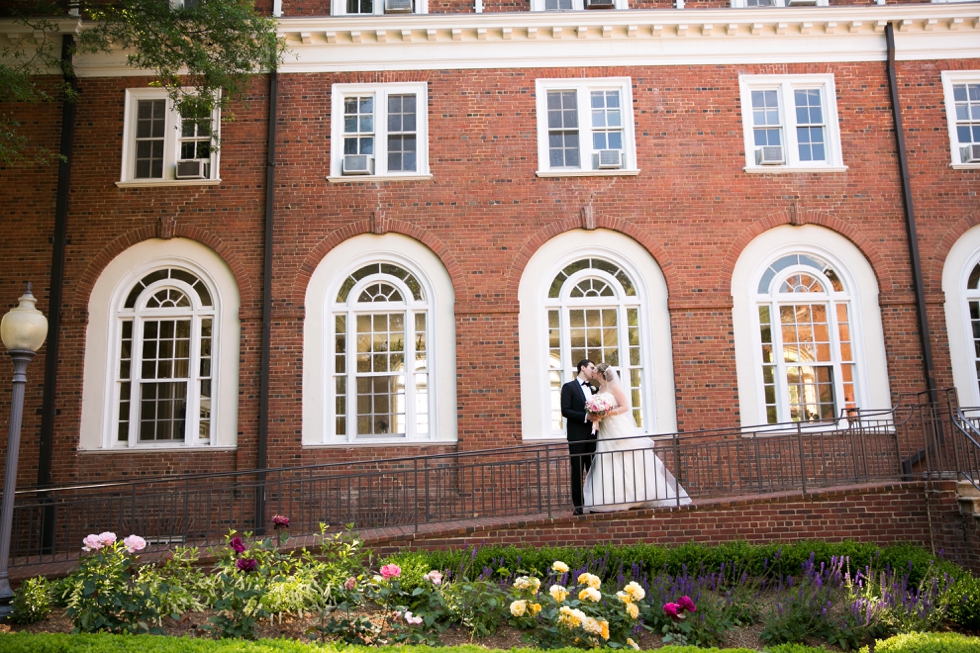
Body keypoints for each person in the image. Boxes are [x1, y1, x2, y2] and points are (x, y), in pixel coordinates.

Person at [583, 362, 691, 512]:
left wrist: (607, 413)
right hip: (605, 429)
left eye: (595, 370)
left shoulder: (613, 386)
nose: (592, 372)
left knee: (626, 458)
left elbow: (625, 406)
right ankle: (613, 498)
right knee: (608, 460)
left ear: (601, 374)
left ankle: (637, 495)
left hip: (617, 426)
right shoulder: (599, 389)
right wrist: (596, 413)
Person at [560, 359, 599, 515]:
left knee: (593, 471)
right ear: (582, 368)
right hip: (576, 436)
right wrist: (585, 417)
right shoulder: (569, 387)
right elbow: (565, 411)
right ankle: (578, 506)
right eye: (591, 368)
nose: (593, 371)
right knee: (577, 471)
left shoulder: (594, 389)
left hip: (593, 435)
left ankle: (594, 504)